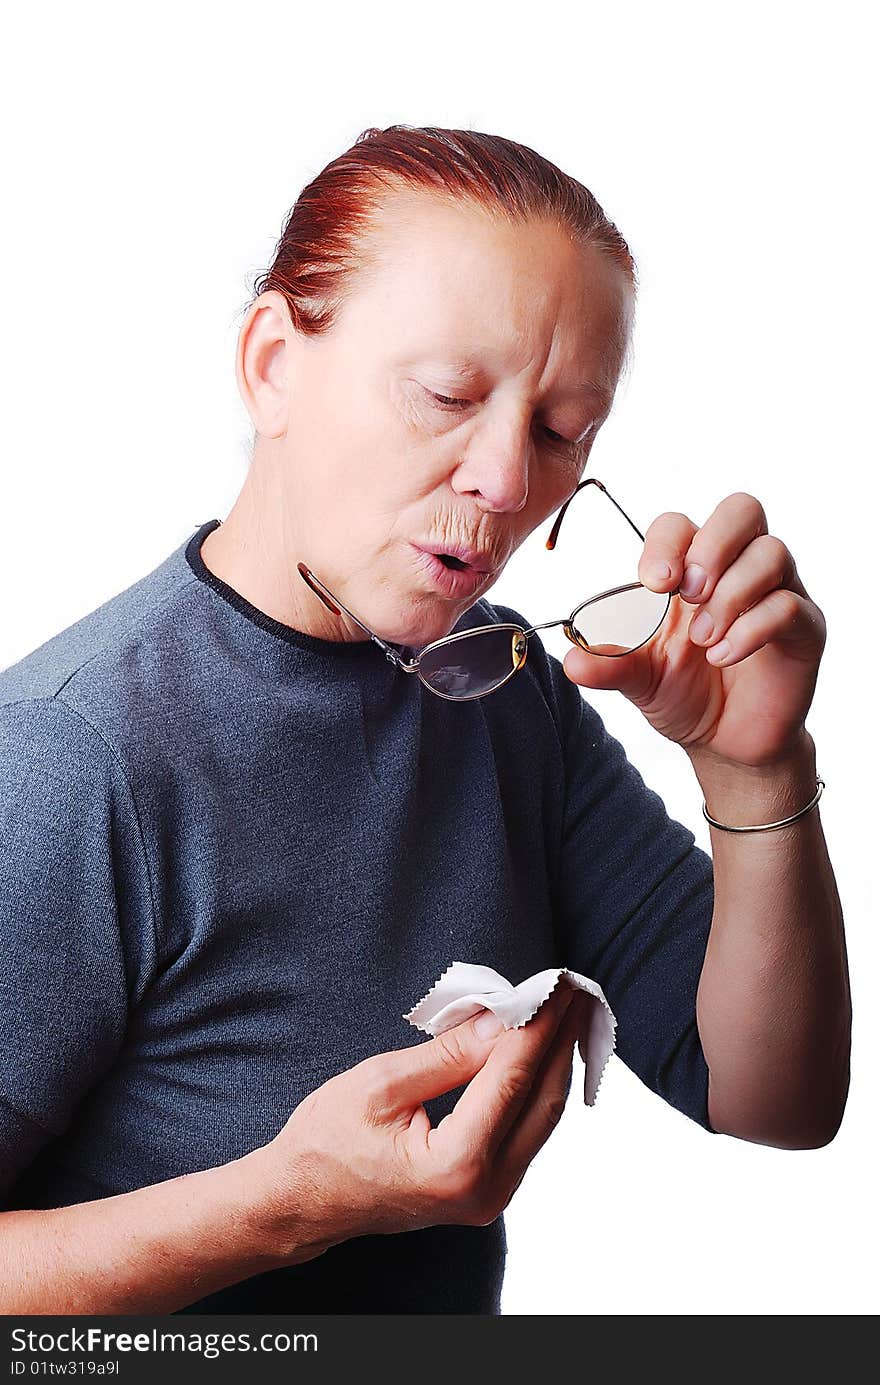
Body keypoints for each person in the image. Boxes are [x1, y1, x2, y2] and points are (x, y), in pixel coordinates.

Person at [0, 125, 850, 1315]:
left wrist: (754, 770)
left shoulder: (506, 694)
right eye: (446, 393)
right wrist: (283, 1203)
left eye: (563, 432)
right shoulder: (68, 759)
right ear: (271, 364)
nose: (506, 481)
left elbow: (772, 1100)